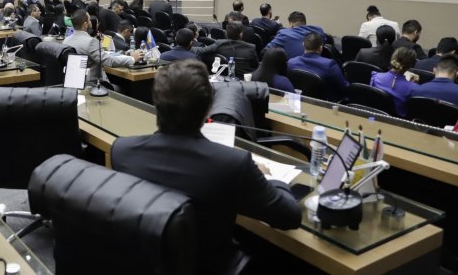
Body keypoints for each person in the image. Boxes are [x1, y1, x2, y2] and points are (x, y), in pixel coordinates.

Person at [111, 59, 301, 274]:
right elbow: (290, 217)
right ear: (208, 109)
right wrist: (272, 178)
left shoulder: (122, 151)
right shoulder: (233, 164)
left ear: (156, 102)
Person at [63, 10, 143, 83]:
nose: (91, 22)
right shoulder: (91, 42)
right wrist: (132, 58)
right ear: (85, 24)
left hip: (73, 83)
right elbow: (109, 61)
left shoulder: (66, 40)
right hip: (92, 85)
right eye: (89, 20)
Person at [287, 32, 349, 102]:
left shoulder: (291, 62)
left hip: (299, 102)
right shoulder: (329, 65)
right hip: (325, 105)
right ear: (321, 47)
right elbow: (344, 87)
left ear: (303, 45)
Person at [195, 22, 259, 77]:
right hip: (245, 79)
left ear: (226, 33)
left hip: (225, 78)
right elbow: (256, 66)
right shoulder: (251, 47)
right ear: (241, 34)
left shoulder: (219, 44)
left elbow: (201, 51)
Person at [370, 47, 419, 117]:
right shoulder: (413, 88)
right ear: (411, 65)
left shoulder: (375, 77)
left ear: (393, 58)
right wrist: (413, 84)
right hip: (396, 124)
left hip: (373, 119)